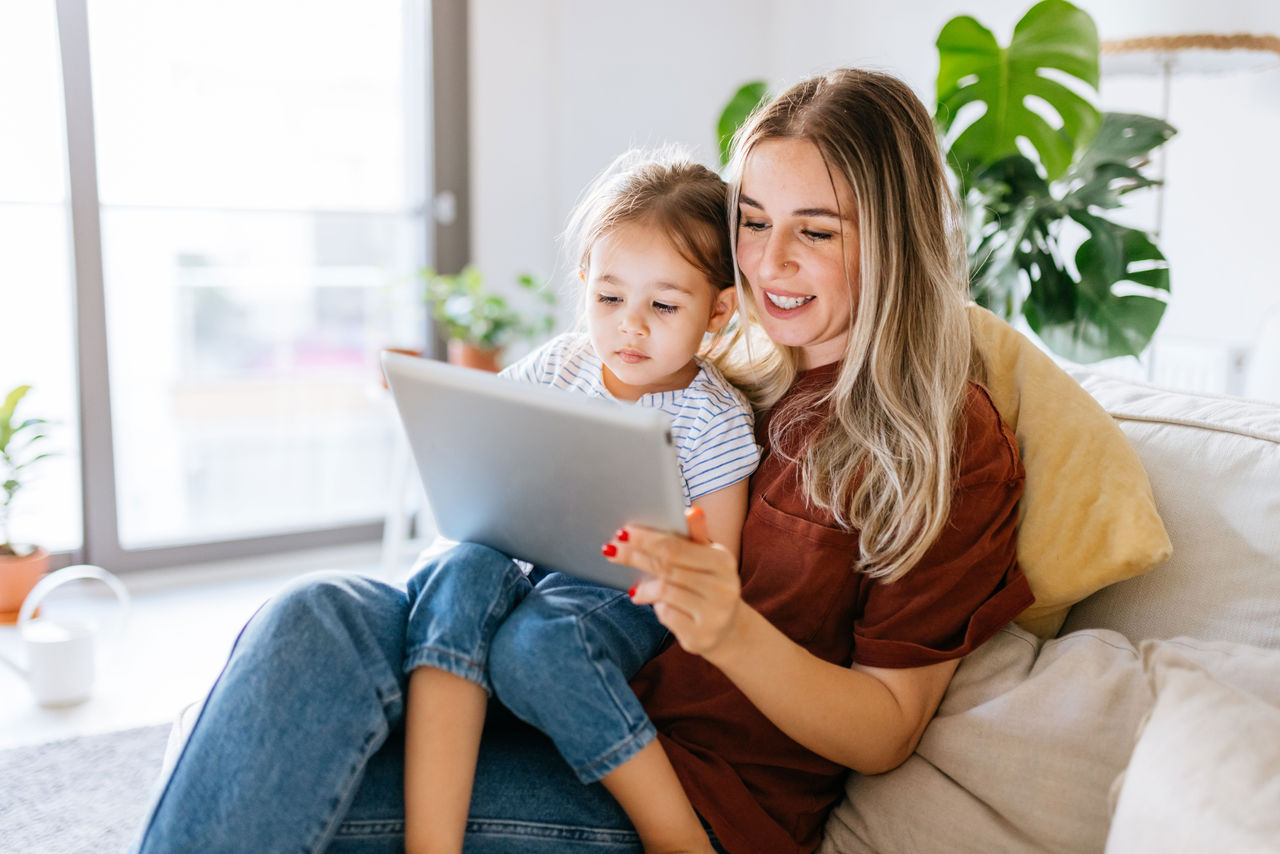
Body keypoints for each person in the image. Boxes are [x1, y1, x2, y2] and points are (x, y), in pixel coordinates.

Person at [130, 68, 1033, 854]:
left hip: (665, 774)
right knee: (311, 613)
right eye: (753, 222)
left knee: (276, 776)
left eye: (819, 232)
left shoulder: (942, 441)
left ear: (897, 237)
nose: (771, 262)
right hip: (520, 660)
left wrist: (729, 628)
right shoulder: (740, 364)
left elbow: (884, 731)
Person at [402, 149, 759, 854]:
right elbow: (487, 443)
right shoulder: (559, 363)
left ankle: (675, 838)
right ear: (584, 285)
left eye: (662, 305)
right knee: (455, 572)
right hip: (529, 558)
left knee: (544, 643)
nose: (630, 326)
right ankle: (430, 837)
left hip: (623, 593)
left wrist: (685, 558)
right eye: (609, 298)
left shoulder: (710, 416)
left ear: (717, 312)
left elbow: (717, 565)